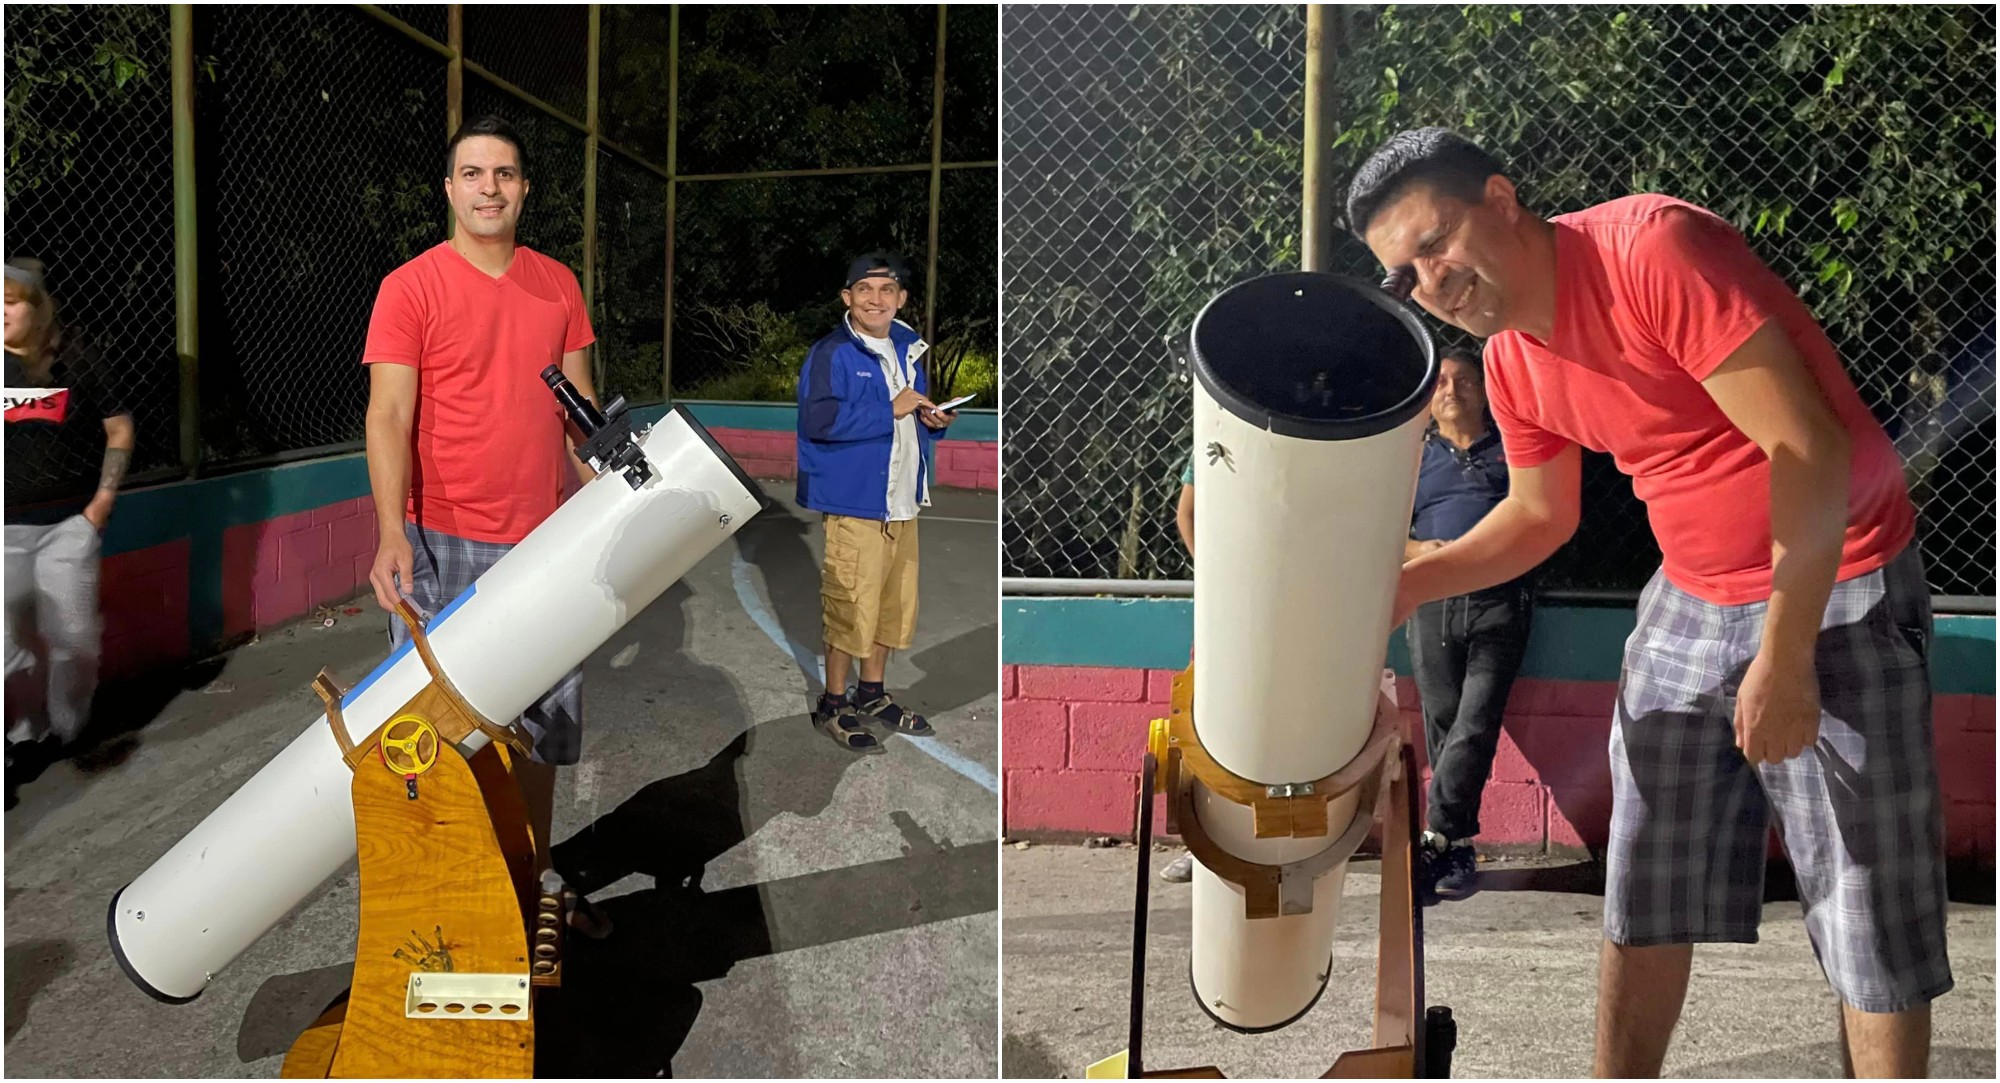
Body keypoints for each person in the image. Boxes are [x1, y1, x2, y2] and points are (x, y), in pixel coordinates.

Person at [1350, 127, 1945, 1078]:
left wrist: (1785, 658)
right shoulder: (1509, 360)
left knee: (1866, 903)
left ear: (1502, 200)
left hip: (1837, 574)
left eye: (1438, 241)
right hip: (1691, 592)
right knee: (1644, 883)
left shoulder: (1650, 250)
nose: (1431, 280)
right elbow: (1540, 516)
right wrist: (1412, 582)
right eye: (1406, 272)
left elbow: (1809, 449)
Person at [361, 115, 608, 936]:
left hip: (548, 539)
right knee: (433, 728)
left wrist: (607, 510)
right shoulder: (411, 286)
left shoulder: (557, 284)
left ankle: (531, 872)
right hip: (444, 536)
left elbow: (583, 418)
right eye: (473, 174)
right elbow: (389, 414)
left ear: (525, 188)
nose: (489, 188)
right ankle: (433, 886)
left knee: (537, 725)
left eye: (504, 174)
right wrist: (392, 530)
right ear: (450, 188)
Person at [796, 251, 954, 751]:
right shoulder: (832, 354)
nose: (876, 299)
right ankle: (834, 703)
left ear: (902, 299)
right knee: (850, 609)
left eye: (887, 290)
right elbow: (817, 423)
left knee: (891, 608)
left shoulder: (908, 348)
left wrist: (932, 422)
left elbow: (908, 418)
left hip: (903, 502)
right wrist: (891, 408)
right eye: (865, 290)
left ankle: (872, 694)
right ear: (848, 298)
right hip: (856, 505)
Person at [1403, 346, 1534, 902]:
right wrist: (1418, 550)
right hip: (1431, 596)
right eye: (1440, 384)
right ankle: (1453, 846)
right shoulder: (1409, 460)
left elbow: (1536, 521)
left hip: (1498, 599)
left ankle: (1438, 836)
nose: (1451, 390)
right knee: (1444, 718)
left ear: (1486, 391)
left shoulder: (1513, 453)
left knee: (1476, 721)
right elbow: (1379, 533)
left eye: (1464, 380)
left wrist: (1482, 555)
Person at [4, 257, 135, 768]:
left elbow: (118, 429)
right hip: (5, 527)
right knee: (6, 645)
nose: (2, 312)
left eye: (11, 302)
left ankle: (68, 729)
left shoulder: (78, 356)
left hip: (69, 526)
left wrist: (98, 508)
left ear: (37, 309)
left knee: (73, 639)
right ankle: (22, 736)